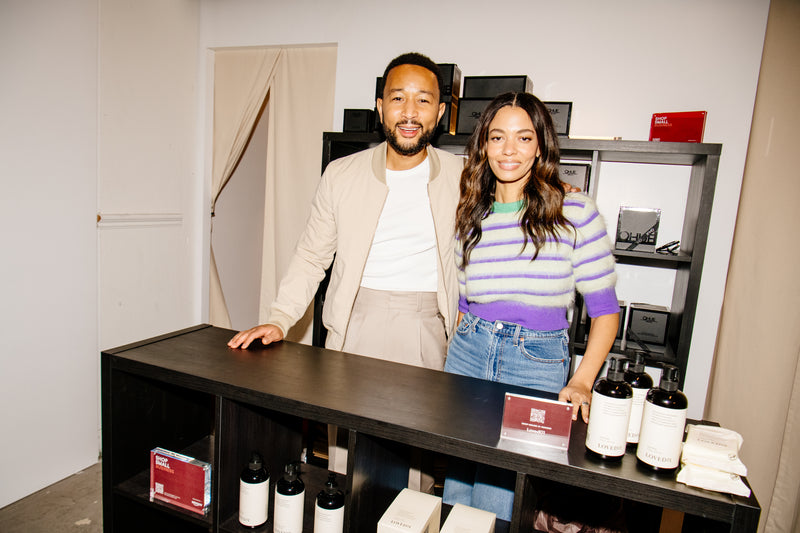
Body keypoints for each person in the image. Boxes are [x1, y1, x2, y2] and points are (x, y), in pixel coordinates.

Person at [227, 52, 464, 488]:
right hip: (354, 324)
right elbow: (311, 255)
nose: (410, 113)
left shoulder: (464, 176)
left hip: (426, 328)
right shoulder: (341, 174)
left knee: (415, 465)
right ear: (380, 107)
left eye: (424, 100)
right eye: (398, 98)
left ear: (441, 112)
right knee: (348, 462)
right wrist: (280, 318)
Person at [442, 92, 619, 520]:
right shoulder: (471, 212)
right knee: (457, 483)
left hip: (535, 361)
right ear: (484, 144)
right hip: (467, 352)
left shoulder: (574, 211)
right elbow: (466, 301)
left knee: (501, 497)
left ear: (540, 146)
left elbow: (605, 310)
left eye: (523, 138)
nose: (509, 150)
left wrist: (582, 381)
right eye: (497, 137)